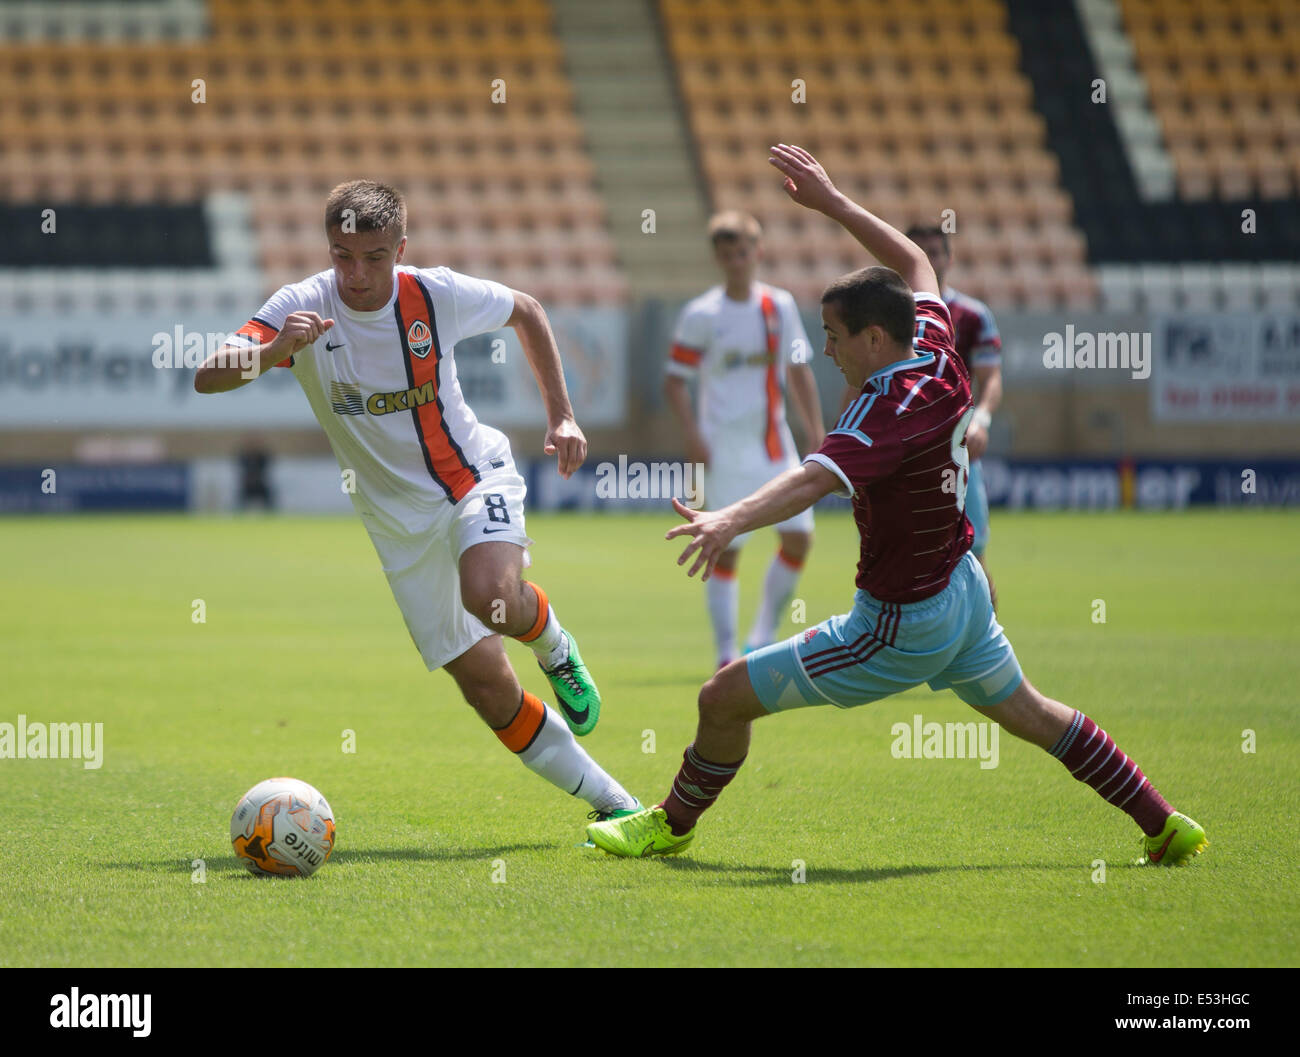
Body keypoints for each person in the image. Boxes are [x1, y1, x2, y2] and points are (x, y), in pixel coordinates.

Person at [588, 146, 1205, 868]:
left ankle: (669, 823)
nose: (828, 353)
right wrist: (834, 202)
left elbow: (812, 480)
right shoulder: (938, 349)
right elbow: (917, 264)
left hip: (899, 620)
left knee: (722, 697)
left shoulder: (886, 409)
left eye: (835, 338)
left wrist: (726, 518)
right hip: (962, 590)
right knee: (1036, 714)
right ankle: (1164, 822)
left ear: (874, 338)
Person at [196, 180, 638, 828]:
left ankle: (552, 642)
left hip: (470, 480)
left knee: (487, 592)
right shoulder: (302, 305)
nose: (357, 273)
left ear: (400, 249)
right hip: (396, 528)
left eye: (374, 257)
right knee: (488, 689)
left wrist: (562, 417)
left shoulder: (434, 294)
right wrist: (272, 353)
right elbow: (207, 375)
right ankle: (614, 803)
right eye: (342, 255)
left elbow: (528, 309)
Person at [664, 211, 826, 668]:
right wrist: (693, 435)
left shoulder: (780, 306)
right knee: (724, 548)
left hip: (773, 444)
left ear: (757, 252)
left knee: (798, 539)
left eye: (743, 252)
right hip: (722, 448)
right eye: (727, 254)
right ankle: (724, 654)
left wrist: (815, 430)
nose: (737, 261)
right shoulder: (702, 314)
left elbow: (798, 371)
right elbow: (674, 381)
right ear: (718, 258)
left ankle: (760, 639)